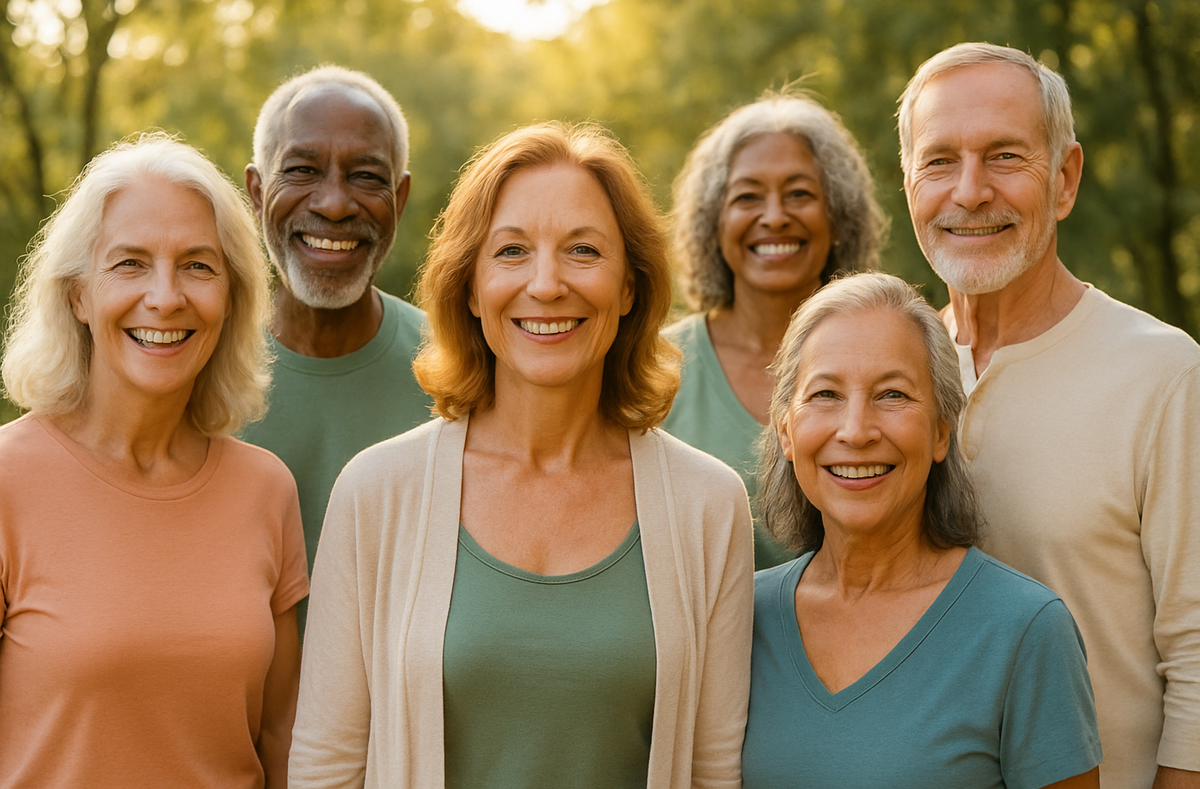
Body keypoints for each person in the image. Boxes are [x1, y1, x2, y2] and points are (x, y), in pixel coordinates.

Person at [289, 122, 754, 788]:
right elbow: (326, 769)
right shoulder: (375, 493)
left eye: (584, 251)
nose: (546, 284)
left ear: (629, 287)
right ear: (470, 289)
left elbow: (713, 773)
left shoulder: (709, 504)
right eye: (511, 251)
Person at [897, 42, 1200, 788]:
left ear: (1064, 178)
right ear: (908, 183)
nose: (970, 192)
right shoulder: (894, 377)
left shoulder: (1164, 375)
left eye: (1004, 157)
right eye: (940, 161)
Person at [0, 134, 307, 787]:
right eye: (130, 264)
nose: (166, 297)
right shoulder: (7, 481)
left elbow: (284, 739)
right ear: (78, 295)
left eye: (197, 266)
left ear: (232, 298)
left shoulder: (266, 490)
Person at [742, 272, 1101, 788]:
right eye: (825, 394)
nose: (856, 431)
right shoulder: (740, 619)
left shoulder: (1025, 631)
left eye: (892, 394)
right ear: (786, 432)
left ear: (940, 432)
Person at [240, 65, 429, 629]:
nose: (334, 204)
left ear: (399, 197)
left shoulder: (463, 369)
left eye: (366, 176)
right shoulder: (192, 367)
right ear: (257, 191)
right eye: (302, 170)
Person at [663, 93, 885, 569]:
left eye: (799, 193)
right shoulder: (654, 368)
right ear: (713, 221)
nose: (775, 216)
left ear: (838, 213)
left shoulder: (894, 352)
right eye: (747, 197)